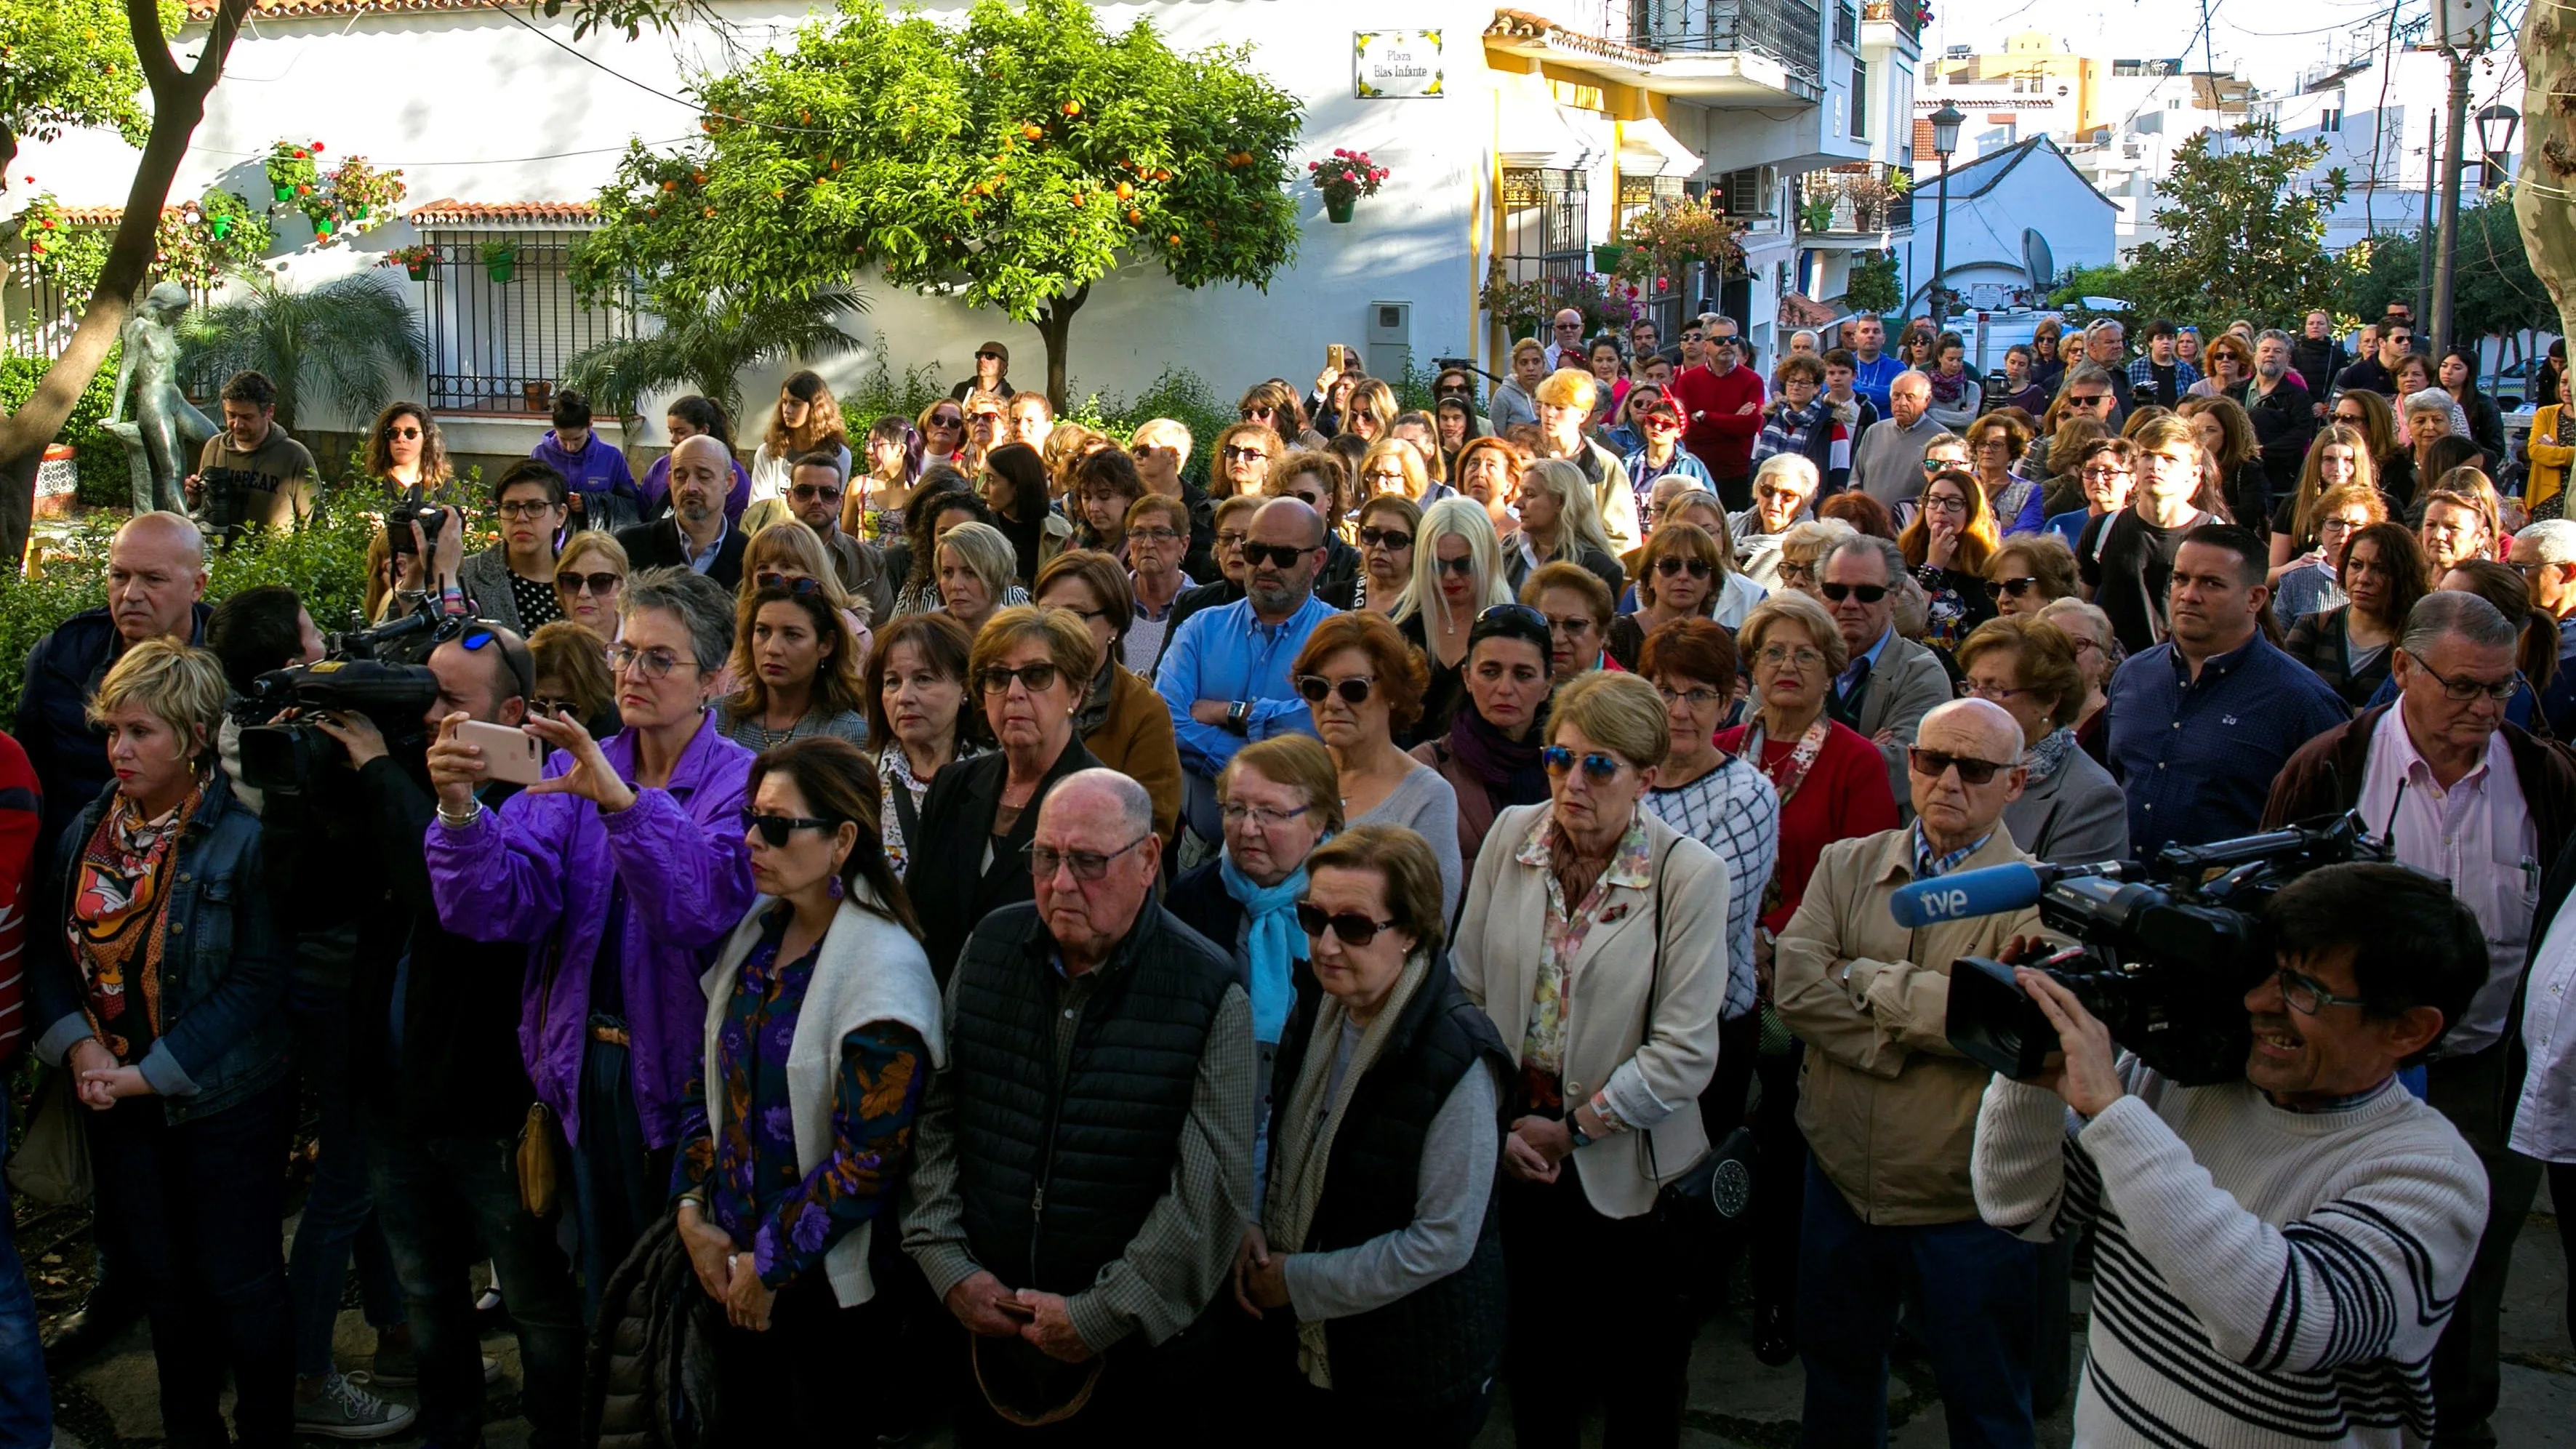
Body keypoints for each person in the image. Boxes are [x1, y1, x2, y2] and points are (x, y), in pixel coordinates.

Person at [1972, 864, 2489, 1448]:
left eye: (2301, 989)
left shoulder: (2431, 1173)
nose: (2257, 1000)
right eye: (2266, 970)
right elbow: (2023, 1209)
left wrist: (2113, 1116)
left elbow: (2280, 1323)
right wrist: (2029, 1062)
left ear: (2407, 1030)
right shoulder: (2178, 1075)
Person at [2262, 589, 2576, 1441]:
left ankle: (2456, 1422)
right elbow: (2272, 920)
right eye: (2463, 687)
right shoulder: (2331, 767)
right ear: (2404, 668)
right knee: (2337, 1251)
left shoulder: (2543, 777)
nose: (2482, 708)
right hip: (2346, 1077)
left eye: (2501, 689)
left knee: (2471, 1262)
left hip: (2484, 1073)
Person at [425, 568, 757, 1316]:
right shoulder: (573, 766)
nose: (633, 674)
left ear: (713, 676)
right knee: (602, 1289)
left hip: (684, 1087)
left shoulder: (742, 782)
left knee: (680, 1295)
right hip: (582, 1070)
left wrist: (622, 802)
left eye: (659, 659)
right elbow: (504, 907)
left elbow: (694, 908)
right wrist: (459, 815)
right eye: (625, 652)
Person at [297, 619, 587, 1449]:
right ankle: (450, 1429)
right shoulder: (397, 777)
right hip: (396, 1095)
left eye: (451, 703)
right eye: (423, 698)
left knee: (533, 1297)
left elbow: (448, 897)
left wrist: (386, 774)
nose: (429, 719)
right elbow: (324, 883)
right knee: (426, 1289)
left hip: (490, 1099)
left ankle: (555, 1433)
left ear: (513, 710)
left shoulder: (533, 798)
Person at [904, 767, 1253, 1442]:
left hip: (1138, 1361)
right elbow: (935, 1115)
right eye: (1044, 857)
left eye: (1088, 862)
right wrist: (946, 1261)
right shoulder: (990, 949)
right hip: (989, 1335)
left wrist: (1099, 1313)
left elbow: (1209, 1192)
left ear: (1149, 858)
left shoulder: (1208, 990)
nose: (1061, 883)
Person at [26, 641, 295, 1446]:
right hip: (120, 1105)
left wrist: (150, 1075)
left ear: (194, 735)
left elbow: (258, 981)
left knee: (242, 1288)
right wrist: (83, 1051)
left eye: (140, 732)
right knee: (166, 1291)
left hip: (226, 1106)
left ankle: (268, 1428)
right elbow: (48, 948)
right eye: (112, 730)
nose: (119, 750)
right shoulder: (91, 825)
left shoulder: (243, 836)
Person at [1452, 670, 1730, 1448]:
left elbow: (1683, 1053)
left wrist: (1572, 1129)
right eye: (1559, 759)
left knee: (1641, 1382)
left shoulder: (1688, 876)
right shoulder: (1513, 837)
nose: (1574, 783)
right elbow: (1466, 990)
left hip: (1629, 1170)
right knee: (1539, 1371)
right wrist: (1504, 1122)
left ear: (1646, 777)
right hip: (1516, 1153)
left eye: (1599, 766)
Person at [1774, 697, 2049, 1448]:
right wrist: (1911, 1032)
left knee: (1986, 1404)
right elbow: (1794, 988)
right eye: (1933, 760)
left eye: (1976, 767)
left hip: (1963, 1204)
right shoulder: (1848, 862)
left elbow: (2004, 1026)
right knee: (1835, 1386)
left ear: (2015, 784)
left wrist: (1861, 976)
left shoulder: (2036, 899)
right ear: (1910, 763)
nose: (1949, 781)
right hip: (1839, 1180)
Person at [670, 736, 938, 1440]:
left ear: (844, 838)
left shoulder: (883, 969)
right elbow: (710, 1090)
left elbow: (868, 1159)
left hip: (824, 1291)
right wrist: (693, 1209)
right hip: (728, 1266)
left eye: (779, 825)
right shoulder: (755, 936)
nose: (754, 839)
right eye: (752, 819)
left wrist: (770, 1263)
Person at [1235, 823, 1509, 1446]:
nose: (1326, 944)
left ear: (1411, 931)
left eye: (1354, 926)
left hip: (1406, 1371)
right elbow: (1277, 1135)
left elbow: (1441, 1240)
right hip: (1315, 1352)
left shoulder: (1455, 1054)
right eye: (1313, 917)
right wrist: (1253, 1219)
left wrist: (1298, 1281)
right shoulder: (1321, 1005)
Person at [1714, 590, 1898, 1363]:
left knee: (1788, 1147)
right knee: (1714, 1131)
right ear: (1750, 667)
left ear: (1834, 672)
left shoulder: (1857, 761)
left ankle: (1780, 1295)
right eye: (1772, 653)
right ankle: (1704, 1270)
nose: (1787, 666)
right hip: (1718, 966)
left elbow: (1864, 883)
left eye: (1806, 655)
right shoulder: (1722, 746)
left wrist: (1777, 943)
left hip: (1809, 976)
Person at [1162, 732, 1340, 1185]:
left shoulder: (1348, 909)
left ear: (1319, 820)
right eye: (1236, 809)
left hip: (1310, 1141)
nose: (1247, 829)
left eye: (1271, 813)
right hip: (1204, 1134)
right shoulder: (1192, 898)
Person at [2106, 524, 2347, 854]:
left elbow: (2326, 833)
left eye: (2211, 583)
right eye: (2180, 579)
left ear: (2255, 598)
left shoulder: (2302, 702)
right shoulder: (2133, 676)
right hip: (2123, 894)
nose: (2189, 595)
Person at [1639, 618, 1780, 1156]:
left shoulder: (1745, 794)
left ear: (1726, 705)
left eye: (1698, 694)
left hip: (1708, 1027)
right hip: (1614, 1021)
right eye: (1665, 690)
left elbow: (1702, 918)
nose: (1678, 710)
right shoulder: (1621, 775)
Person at [21, 513, 212, 888]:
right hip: (70, 880)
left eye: (153, 579)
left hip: (189, 886)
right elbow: (30, 780)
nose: (131, 595)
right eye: (119, 576)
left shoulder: (232, 656)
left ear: (197, 586)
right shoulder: (61, 656)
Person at [1157, 497, 1335, 848]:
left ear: (1317, 561)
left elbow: (1324, 724)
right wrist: (1274, 772)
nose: (1266, 565)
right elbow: (1167, 723)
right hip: (1201, 853)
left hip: (1304, 865)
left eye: (1283, 556)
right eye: (1255, 552)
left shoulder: (1340, 638)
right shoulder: (1201, 629)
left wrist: (1231, 713)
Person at [1292, 612, 1464, 918]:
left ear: (1394, 693)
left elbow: (1429, 927)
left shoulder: (1428, 797)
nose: (1332, 703)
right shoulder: (1290, 774)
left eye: (1353, 689)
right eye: (1317, 687)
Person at [1031, 550, 1184, 843]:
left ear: (1113, 625)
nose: (1058, 628)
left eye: (1076, 615)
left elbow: (1152, 823)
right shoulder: (1013, 688)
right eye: (1047, 613)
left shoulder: (1143, 709)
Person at [1956, 616, 2127, 864]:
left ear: (2049, 700)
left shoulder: (2092, 798)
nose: (1975, 701)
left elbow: (2065, 899)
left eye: (1994, 689)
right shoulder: (1950, 763)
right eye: (1971, 685)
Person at [1411, 603, 1553, 878]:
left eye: (1523, 675)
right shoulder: (1427, 768)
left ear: (1547, 685)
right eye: (1490, 672)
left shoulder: (1568, 766)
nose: (1505, 688)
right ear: (1466, 677)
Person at [1820, 533, 1952, 811]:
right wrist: (1865, 748)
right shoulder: (1790, 659)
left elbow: (1897, 774)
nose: (1850, 604)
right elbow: (1757, 754)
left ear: (1894, 596)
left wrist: (1803, 748)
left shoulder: (1922, 673)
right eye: (1836, 591)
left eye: (1867, 593)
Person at [2080, 414, 2220, 657]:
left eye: (2169, 459)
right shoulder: (2103, 528)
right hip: (2115, 672)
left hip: (2184, 668)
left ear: (2194, 473)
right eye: (2147, 455)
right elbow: (2079, 606)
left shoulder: (2214, 534)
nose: (2155, 466)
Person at [1392, 497, 1514, 746]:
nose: (1449, 576)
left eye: (1464, 564)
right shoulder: (1399, 629)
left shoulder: (1514, 628)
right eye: (1437, 565)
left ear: (1487, 560)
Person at [2284, 521, 2427, 707]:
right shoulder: (2312, 626)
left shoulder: (2416, 642)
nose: (2363, 579)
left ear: (2402, 576)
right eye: (2356, 565)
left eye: (2380, 569)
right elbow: (2286, 698)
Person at [718, 581, 870, 752]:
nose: (772, 649)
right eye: (763, 631)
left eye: (792, 635)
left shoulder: (845, 733)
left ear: (826, 644)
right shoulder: (719, 716)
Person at [186, 369, 318, 530]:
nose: (237, 424)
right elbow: (202, 513)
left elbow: (315, 524)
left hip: (272, 555)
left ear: (269, 412)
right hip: (222, 554)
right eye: (231, 415)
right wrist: (194, 498)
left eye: (247, 417)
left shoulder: (294, 456)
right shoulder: (214, 448)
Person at [1530, 369, 1645, 552]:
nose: (1549, 413)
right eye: (1545, 404)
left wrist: (1595, 570)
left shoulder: (1605, 464)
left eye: (1560, 407)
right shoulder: (1528, 457)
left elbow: (1624, 541)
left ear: (1582, 415)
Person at [618, 433, 747, 589]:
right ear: (670, 482)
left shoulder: (749, 556)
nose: (690, 487)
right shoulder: (631, 547)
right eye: (680, 477)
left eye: (704, 477)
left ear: (729, 483)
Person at [459, 459, 571, 635]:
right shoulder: (467, 575)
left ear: (560, 515)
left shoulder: (582, 578)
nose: (521, 518)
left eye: (535, 507)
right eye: (510, 508)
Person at [1899, 468, 2000, 654]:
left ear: (1972, 510)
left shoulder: (1991, 568)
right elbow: (1903, 621)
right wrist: (1933, 566)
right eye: (1934, 500)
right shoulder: (1903, 558)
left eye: (1953, 503)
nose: (1941, 509)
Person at [1504, 457, 1624, 601]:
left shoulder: (1598, 568)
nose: (1517, 504)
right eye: (1521, 494)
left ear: (1560, 502)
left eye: (1530, 495)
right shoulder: (1507, 549)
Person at [1668, 334, 1766, 510]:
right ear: (1706, 346)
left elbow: (1750, 426)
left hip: (1736, 476)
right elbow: (1686, 429)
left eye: (1733, 339)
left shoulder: (1753, 380)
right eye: (1720, 340)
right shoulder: (1689, 379)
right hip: (1695, 472)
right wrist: (1733, 421)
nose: (1727, 344)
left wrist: (1705, 417)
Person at [2268, 423, 2379, 574]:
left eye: (2348, 459)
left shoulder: (2381, 504)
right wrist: (2297, 565)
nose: (2339, 468)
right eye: (2329, 459)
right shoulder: (2293, 506)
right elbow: (2269, 575)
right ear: (2316, 463)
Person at [2268, 481, 2385, 624]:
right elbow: (2277, 639)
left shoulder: (2383, 580)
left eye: (2355, 525)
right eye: (2335, 523)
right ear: (2318, 531)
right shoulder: (2294, 581)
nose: (2344, 532)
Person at [2228, 330, 2316, 507]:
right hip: (2237, 478)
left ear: (2287, 358)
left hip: (2280, 480)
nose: (2270, 355)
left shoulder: (2298, 396)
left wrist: (2262, 451)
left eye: (2278, 351)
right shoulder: (2234, 391)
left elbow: (2301, 434)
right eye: (2265, 350)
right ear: (2255, 355)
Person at [636, 396, 755, 524]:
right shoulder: (660, 468)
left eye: (681, 432)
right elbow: (642, 513)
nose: (673, 439)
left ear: (703, 430)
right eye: (680, 477)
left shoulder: (730, 471)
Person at [2513, 519, 2576, 736]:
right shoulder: (2513, 621)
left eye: (2521, 569)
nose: (2512, 578)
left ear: (2568, 572)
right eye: (2508, 566)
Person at [2037, 598, 2119, 758]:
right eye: (2054, 644)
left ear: (2103, 658)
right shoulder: (2027, 718)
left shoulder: (2115, 726)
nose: (2064, 653)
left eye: (2078, 643)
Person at [1852, 369, 1941, 510]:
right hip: (1869, 523)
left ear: (1927, 400)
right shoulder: (1875, 432)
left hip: (1911, 525)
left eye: (1910, 397)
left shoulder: (1940, 440)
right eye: (1896, 396)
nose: (1901, 403)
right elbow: (1855, 482)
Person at [1734, 453, 1822, 589]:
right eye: (1768, 490)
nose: (1774, 501)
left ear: (1804, 501)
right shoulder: (1730, 525)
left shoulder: (1810, 547)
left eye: (1787, 495)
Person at [1323, 493, 1418, 617]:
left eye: (1395, 539)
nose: (1380, 546)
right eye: (1371, 535)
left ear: (1416, 545)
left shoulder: (1430, 607)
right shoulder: (1332, 598)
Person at [1522, 559, 1619, 677]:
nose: (1558, 639)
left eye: (1574, 625)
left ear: (1602, 634)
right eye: (1546, 624)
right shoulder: (1505, 687)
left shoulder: (1628, 694)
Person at [847, 415, 923, 545]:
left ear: (900, 450)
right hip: (867, 564)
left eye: (876, 444)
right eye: (868, 444)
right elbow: (845, 540)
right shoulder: (860, 486)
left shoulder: (920, 491)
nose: (868, 450)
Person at [550, 528, 630, 646]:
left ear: (621, 586)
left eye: (600, 582)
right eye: (572, 581)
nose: (583, 593)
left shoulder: (645, 643)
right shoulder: (544, 651)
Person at [1981, 535, 2079, 620]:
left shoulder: (2079, 639)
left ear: (2054, 590)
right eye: (1994, 589)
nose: (2002, 599)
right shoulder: (1988, 640)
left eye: (2015, 587)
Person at [367, 401, 454, 494]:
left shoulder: (447, 489)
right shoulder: (368, 489)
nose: (401, 439)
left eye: (410, 433)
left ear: (426, 438)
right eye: (393, 433)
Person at [2336, 316, 2413, 399]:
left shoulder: (2416, 373)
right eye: (2399, 339)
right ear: (2382, 342)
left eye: (2409, 339)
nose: (2406, 343)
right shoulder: (2355, 373)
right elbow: (2336, 407)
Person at [1842, 316, 1904, 417]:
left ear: (1883, 338)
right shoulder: (1842, 363)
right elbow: (1830, 391)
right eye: (1865, 331)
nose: (1871, 335)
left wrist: (1850, 391)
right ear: (1855, 337)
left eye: (1876, 331)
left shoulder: (1897, 367)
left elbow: (1895, 394)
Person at [1925, 331, 1984, 430]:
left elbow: (1969, 419)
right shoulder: (1926, 386)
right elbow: (1921, 415)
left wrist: (1932, 412)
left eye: (1959, 360)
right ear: (1940, 357)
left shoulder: (1971, 388)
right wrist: (1959, 415)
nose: (1955, 364)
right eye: (1950, 359)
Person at [948, 338, 1012, 402]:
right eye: (979, 355)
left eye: (990, 356)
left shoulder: (1010, 398)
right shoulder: (960, 390)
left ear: (1003, 366)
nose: (982, 359)